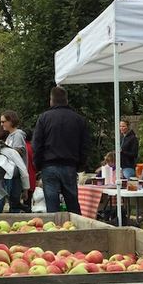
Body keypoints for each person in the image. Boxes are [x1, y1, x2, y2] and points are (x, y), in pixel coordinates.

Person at [33, 85, 90, 214]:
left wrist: (38, 164)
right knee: (72, 202)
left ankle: (54, 230)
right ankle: (77, 230)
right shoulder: (79, 119)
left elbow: (37, 144)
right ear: (66, 100)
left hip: (49, 165)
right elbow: (85, 145)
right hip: (70, 165)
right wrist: (81, 165)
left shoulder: (44, 118)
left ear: (51, 100)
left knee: (52, 203)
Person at [0, 112, 29, 212]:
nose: (1, 124)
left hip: (16, 174)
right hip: (10, 173)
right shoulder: (9, 136)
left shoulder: (18, 135)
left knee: (14, 203)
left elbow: (18, 152)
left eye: (3, 121)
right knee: (12, 202)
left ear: (11, 121)